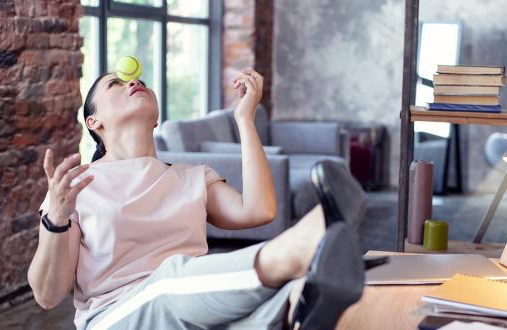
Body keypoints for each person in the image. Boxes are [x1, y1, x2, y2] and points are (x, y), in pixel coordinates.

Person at [27, 68, 364, 329]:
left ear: (157, 117)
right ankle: (309, 240)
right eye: (115, 84)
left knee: (288, 297)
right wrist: (55, 218)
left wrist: (245, 119)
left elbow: (259, 210)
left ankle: (298, 297)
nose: (133, 82)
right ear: (93, 121)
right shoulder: (74, 187)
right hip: (114, 315)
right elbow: (47, 295)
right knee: (168, 280)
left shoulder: (193, 177)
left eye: (139, 80)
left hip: (190, 302)